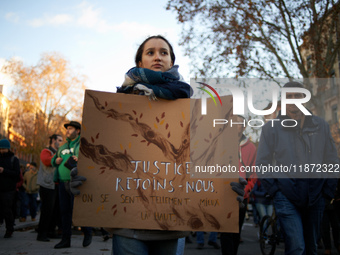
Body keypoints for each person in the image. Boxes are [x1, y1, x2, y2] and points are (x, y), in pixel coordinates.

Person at [70, 35, 246, 255]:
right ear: (139, 63)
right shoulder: (115, 106)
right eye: (150, 52)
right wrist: (86, 175)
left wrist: (226, 186)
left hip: (173, 228)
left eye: (164, 53)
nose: (158, 57)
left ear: (171, 62)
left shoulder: (194, 112)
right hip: (127, 228)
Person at [256, 81, 339, 254]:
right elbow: (262, 163)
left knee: (311, 248)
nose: (293, 100)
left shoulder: (321, 125)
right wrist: (276, 191)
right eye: (289, 96)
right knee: (296, 248)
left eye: (297, 96)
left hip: (316, 196)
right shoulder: (271, 129)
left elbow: (332, 159)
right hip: (286, 196)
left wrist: (327, 192)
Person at [52, 121, 92, 249]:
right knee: (65, 212)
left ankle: (87, 232)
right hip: (63, 182)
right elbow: (54, 159)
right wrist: (55, 160)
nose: (67, 131)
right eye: (67, 129)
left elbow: (91, 159)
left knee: (78, 211)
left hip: (77, 182)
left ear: (78, 130)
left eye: (70, 128)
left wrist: (80, 159)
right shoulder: (63, 146)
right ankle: (65, 240)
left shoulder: (82, 143)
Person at [220, 115, 257, 255]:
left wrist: (246, 189)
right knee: (226, 232)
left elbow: (253, 174)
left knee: (236, 232)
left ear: (244, 126)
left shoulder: (251, 147)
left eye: (239, 123)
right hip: (223, 194)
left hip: (242, 196)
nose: (236, 125)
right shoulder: (220, 143)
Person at [36, 134, 63, 242]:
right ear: (53, 140)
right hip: (47, 185)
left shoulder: (58, 153)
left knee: (55, 210)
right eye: (59, 140)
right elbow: (47, 161)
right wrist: (58, 157)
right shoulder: (46, 151)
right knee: (47, 210)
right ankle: (41, 233)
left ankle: (51, 231)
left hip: (56, 185)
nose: (61, 142)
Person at [0, 138, 20, 238]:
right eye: (1, 149)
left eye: (4, 149)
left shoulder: (14, 159)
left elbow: (16, 174)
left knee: (7, 209)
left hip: (9, 189)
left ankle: (9, 229)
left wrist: (4, 171)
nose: (2, 150)